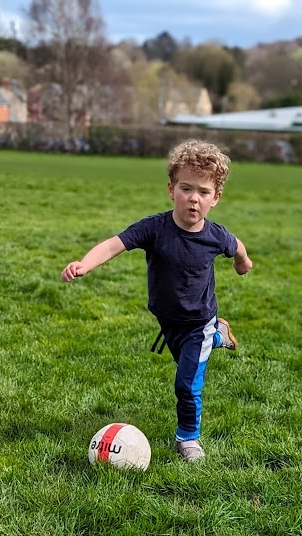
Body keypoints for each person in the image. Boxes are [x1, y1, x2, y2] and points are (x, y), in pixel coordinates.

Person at [61, 140, 253, 462]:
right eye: (186, 188)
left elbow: (238, 247)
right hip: (167, 322)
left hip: (197, 322)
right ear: (171, 189)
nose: (193, 198)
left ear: (215, 198)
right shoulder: (154, 228)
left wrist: (241, 265)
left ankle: (188, 439)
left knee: (187, 385)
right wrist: (84, 264)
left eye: (203, 192)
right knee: (188, 367)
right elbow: (113, 245)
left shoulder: (215, 236)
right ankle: (219, 336)